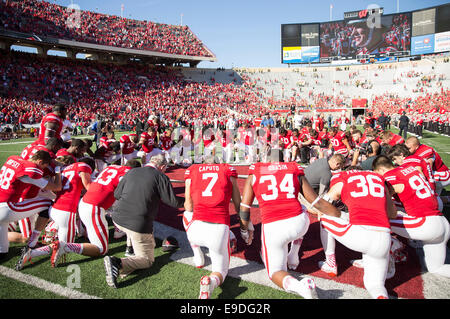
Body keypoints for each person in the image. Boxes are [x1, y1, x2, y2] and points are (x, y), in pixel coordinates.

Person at [238, 149, 340, 299]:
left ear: (267, 159)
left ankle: (301, 287)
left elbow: (244, 207)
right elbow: (315, 201)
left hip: (274, 228)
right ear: (283, 159)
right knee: (303, 208)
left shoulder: (257, 171)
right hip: (299, 223)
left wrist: (244, 230)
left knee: (275, 272)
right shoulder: (293, 168)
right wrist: (339, 215)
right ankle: (293, 254)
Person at [103, 154, 184, 288]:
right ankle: (117, 262)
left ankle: (129, 248)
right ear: (163, 167)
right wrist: (189, 202)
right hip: (137, 224)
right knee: (147, 260)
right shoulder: (160, 176)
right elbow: (173, 201)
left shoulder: (132, 171)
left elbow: (117, 194)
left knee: (138, 232)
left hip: (117, 219)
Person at [318, 167, 397, 299]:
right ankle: (381, 295)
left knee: (324, 218)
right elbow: (392, 213)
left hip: (360, 236)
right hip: (383, 236)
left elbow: (323, 205)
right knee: (375, 285)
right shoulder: (379, 179)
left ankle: (330, 263)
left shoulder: (343, 178)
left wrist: (343, 215)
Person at [47, 159, 142, 268]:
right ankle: (66, 246)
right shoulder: (128, 173)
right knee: (102, 249)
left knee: (96, 242)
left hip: (85, 203)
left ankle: (37, 252)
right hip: (94, 208)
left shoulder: (110, 167)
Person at [373, 155, 450, 278]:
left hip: (425, 223)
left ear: (381, 170)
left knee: (372, 220)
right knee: (436, 268)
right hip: (442, 222)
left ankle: (391, 249)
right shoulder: (410, 168)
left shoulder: (389, 177)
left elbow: (382, 203)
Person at [15, 157, 95, 270]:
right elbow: (88, 186)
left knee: (63, 245)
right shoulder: (84, 166)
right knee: (65, 245)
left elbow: (56, 189)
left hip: (54, 208)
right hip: (66, 211)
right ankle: (31, 253)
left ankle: (47, 237)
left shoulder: (66, 169)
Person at [183, 155, 241, 299]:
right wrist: (244, 222)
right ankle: (212, 282)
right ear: (218, 163)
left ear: (203, 163)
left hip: (195, 230)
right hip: (218, 230)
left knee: (186, 214)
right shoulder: (227, 169)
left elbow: (188, 206)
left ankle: (197, 253)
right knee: (220, 271)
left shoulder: (193, 170)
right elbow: (238, 202)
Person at [0, 151, 62, 259]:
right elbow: (57, 187)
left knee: (3, 252)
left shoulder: (13, 159)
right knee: (48, 203)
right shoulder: (31, 170)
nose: (42, 170)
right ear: (40, 161)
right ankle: (32, 243)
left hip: (2, 204)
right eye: (43, 166)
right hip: (7, 208)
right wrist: (57, 170)